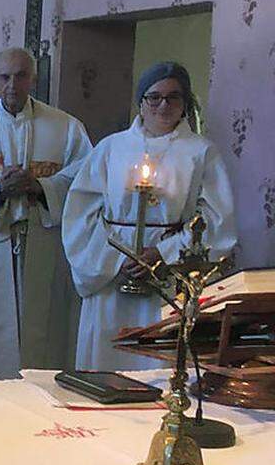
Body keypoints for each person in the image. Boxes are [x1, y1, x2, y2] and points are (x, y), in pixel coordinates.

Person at [63, 61, 236, 371]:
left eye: (173, 97)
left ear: (185, 104)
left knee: (159, 368)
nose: (163, 105)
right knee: (107, 362)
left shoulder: (201, 153)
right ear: (141, 103)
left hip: (169, 280)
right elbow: (81, 213)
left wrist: (163, 253)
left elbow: (216, 220)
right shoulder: (111, 148)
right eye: (153, 97)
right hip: (113, 277)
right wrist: (118, 258)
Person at [0, 47, 92, 381]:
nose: (12, 84)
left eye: (21, 76)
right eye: (4, 77)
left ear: (33, 79)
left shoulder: (66, 128)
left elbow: (88, 181)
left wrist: (42, 187)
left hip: (43, 245)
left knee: (43, 336)